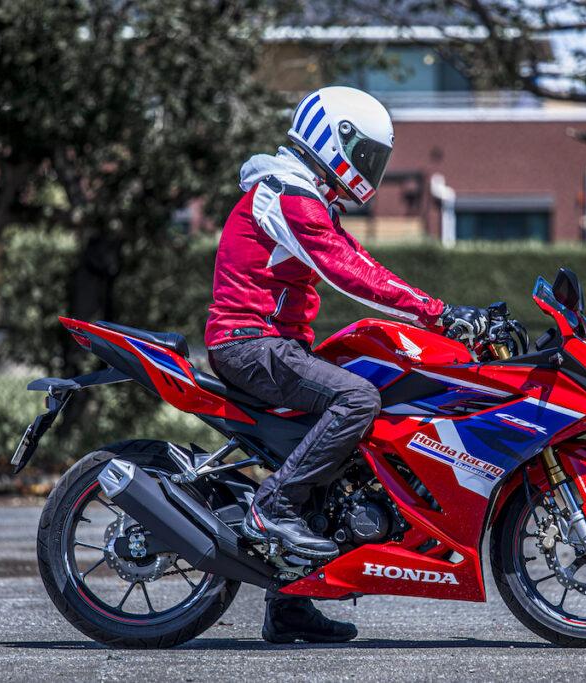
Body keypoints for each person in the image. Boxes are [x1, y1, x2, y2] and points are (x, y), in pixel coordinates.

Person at [205, 86, 488, 643]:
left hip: (276, 346)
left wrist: (443, 316)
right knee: (357, 398)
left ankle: (290, 606)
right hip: (250, 343)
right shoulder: (287, 194)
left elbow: (360, 261)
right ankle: (271, 507)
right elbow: (348, 272)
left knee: (345, 451)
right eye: (365, 153)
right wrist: (438, 312)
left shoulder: (307, 197)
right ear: (335, 140)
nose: (369, 167)